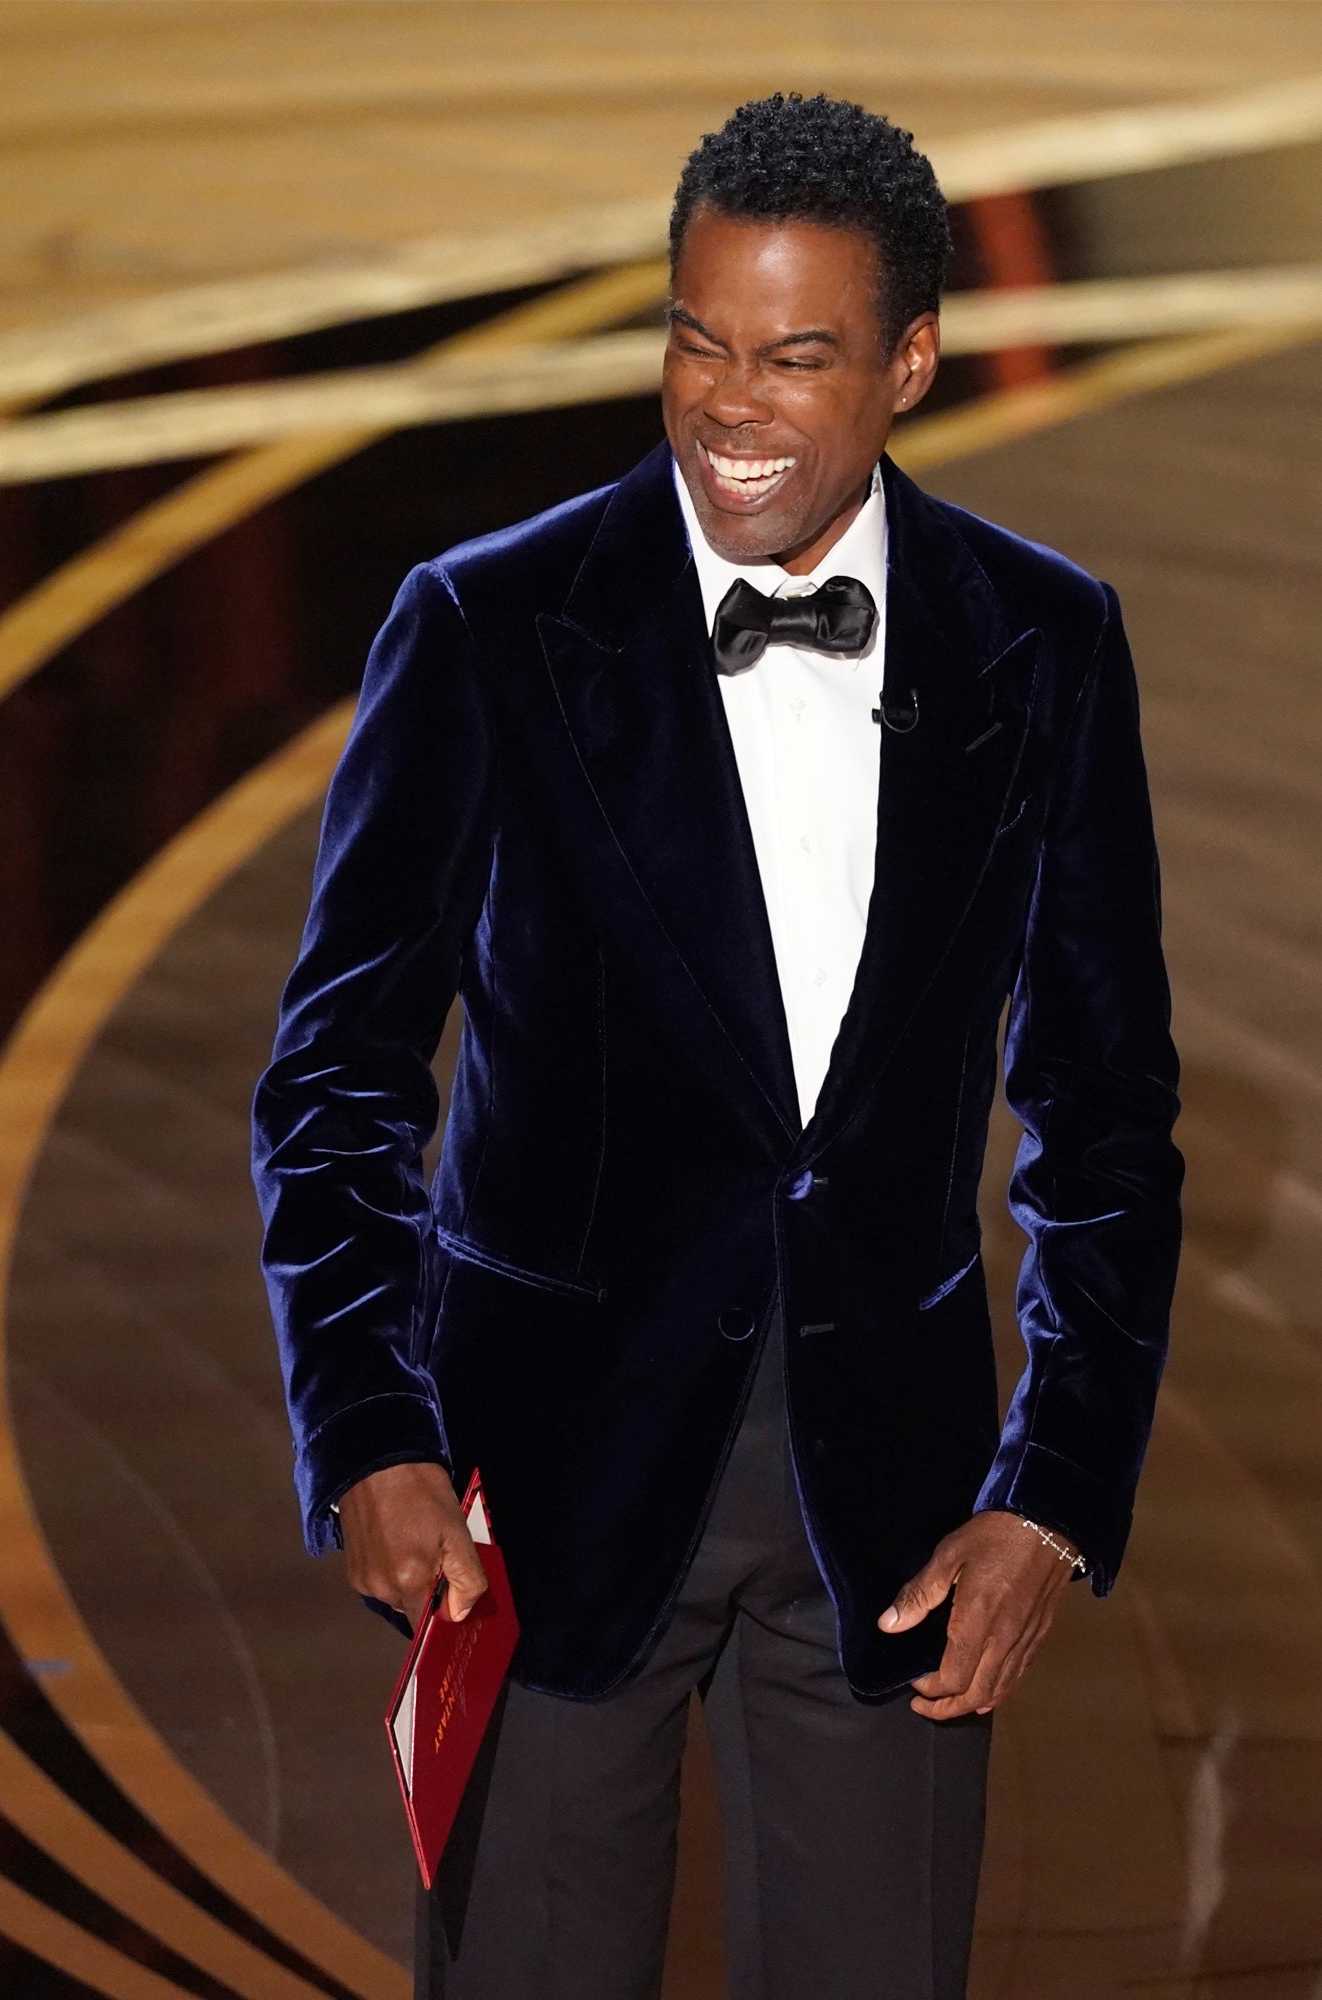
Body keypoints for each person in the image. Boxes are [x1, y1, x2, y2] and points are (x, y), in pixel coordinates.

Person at [253, 92, 1182, 2000]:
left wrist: (1056, 1501)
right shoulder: (489, 624)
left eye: (794, 353)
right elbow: (339, 1076)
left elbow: (1104, 1118)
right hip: (537, 1512)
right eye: (696, 337)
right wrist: (367, 1432)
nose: (727, 400)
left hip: (897, 1527)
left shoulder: (1046, 645)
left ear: (912, 361)